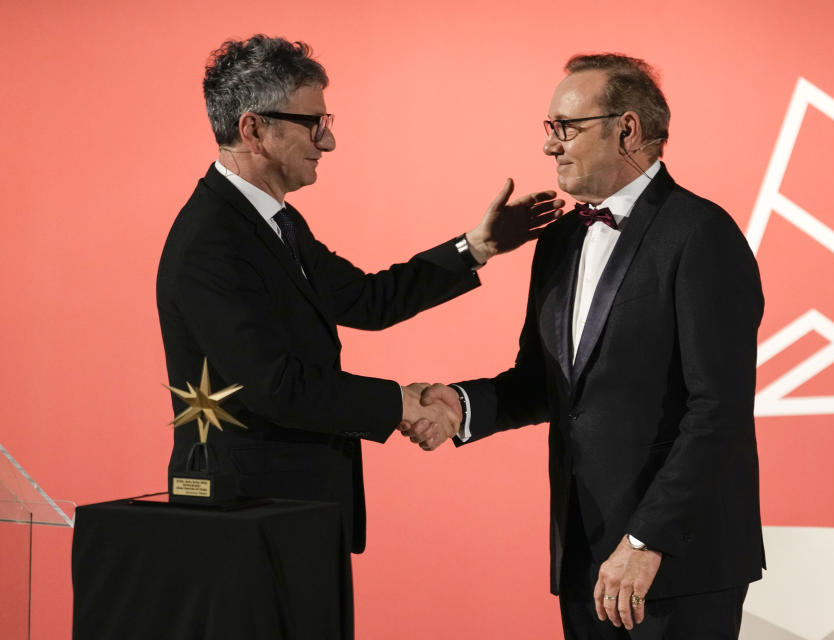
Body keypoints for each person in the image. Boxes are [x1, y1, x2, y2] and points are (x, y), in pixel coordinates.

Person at [156, 35, 561, 558]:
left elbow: (368, 300)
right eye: (313, 124)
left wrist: (476, 246)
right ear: (253, 129)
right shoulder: (209, 241)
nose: (327, 144)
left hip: (293, 511)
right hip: (245, 521)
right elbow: (275, 386)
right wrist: (398, 403)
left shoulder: (274, 223)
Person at [407, 54, 765, 639]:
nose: (550, 146)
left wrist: (646, 541)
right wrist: (460, 405)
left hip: (677, 563)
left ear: (626, 128)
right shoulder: (559, 240)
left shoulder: (701, 235)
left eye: (565, 128)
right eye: (548, 129)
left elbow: (718, 411)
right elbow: (544, 384)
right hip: (584, 555)